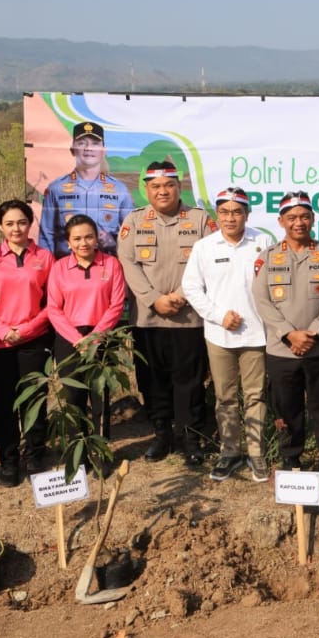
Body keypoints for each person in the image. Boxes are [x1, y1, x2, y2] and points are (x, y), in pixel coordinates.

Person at [117, 160, 215, 466]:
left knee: (190, 380)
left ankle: (190, 437)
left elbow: (208, 262)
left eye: (169, 185)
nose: (163, 191)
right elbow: (128, 262)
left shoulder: (199, 220)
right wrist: (153, 300)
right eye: (156, 186)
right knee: (152, 380)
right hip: (148, 319)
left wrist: (181, 296)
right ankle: (161, 435)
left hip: (189, 318)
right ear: (146, 189)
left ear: (179, 186)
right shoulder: (134, 221)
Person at [252, 191, 319, 497]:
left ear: (313, 219)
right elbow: (261, 300)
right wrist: (289, 334)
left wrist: (314, 333)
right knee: (287, 411)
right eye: (292, 217)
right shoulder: (268, 257)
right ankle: (291, 461)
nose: (299, 222)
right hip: (282, 351)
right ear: (281, 221)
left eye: (304, 216)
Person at [181, 187, 275, 483]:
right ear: (217, 215)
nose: (230, 218)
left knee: (256, 395)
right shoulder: (204, 247)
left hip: (256, 334)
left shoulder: (263, 242)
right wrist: (219, 316)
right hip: (219, 334)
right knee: (225, 396)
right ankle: (230, 451)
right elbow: (191, 288)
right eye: (224, 212)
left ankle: (256, 453)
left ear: (247, 214)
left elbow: (274, 284)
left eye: (236, 212)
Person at [0, 200, 54, 485]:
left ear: (30, 224)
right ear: (0, 226)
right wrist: (0, 329)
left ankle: (35, 454)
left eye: (22, 222)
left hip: (35, 339)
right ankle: (9, 460)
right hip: (0, 343)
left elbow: (53, 303)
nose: (16, 229)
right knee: (4, 405)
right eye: (9, 223)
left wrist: (27, 329)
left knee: (34, 401)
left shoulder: (45, 257)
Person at [47, 214, 127, 471]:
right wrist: (77, 340)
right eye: (77, 238)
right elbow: (53, 308)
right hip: (69, 338)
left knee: (100, 397)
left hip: (102, 337)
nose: (84, 243)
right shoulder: (59, 268)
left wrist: (95, 338)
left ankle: (101, 452)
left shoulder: (111, 264)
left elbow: (116, 304)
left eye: (89, 237)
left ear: (97, 238)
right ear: (69, 242)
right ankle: (78, 455)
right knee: (73, 398)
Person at [39, 121, 134, 258]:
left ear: (103, 151)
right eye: (82, 143)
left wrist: (113, 243)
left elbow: (130, 234)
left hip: (107, 265)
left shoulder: (120, 190)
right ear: (72, 150)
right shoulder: (56, 188)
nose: (88, 148)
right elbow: (46, 235)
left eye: (95, 143)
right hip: (66, 266)